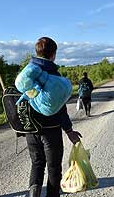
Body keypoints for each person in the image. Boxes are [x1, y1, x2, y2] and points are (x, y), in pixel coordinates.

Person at [19, 37, 82, 197]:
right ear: (53, 54)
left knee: (37, 164)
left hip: (30, 130)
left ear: (37, 52)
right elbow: (61, 109)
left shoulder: (27, 74)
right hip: (51, 131)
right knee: (54, 168)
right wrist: (69, 130)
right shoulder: (54, 76)